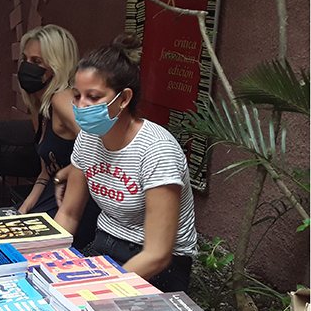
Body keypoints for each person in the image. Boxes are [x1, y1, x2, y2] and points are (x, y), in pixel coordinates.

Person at [53, 34, 197, 292]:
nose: (81, 105)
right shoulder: (87, 138)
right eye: (77, 95)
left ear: (123, 98)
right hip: (104, 244)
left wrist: (98, 290)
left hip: (157, 265)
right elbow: (69, 213)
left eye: (94, 97)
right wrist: (45, 260)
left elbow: (158, 253)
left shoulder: (157, 150)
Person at [15, 25, 99, 250]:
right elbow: (45, 173)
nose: (27, 67)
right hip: (53, 192)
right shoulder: (39, 107)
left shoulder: (61, 98)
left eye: (37, 62)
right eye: (25, 59)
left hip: (78, 201)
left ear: (56, 66)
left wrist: (66, 172)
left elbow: (97, 143)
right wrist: (23, 209)